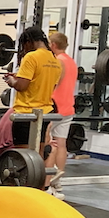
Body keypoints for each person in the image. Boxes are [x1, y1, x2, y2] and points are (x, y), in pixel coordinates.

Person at [3, 27, 62, 149]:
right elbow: (44, 82)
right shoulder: (54, 60)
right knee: (38, 151)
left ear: (29, 42)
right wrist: (20, 77)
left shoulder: (31, 57)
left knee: (23, 155)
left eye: (24, 45)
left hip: (26, 113)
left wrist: (12, 81)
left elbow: (22, 86)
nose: (24, 49)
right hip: (44, 112)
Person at [46, 32, 78, 198]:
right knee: (61, 143)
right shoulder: (71, 61)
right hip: (67, 108)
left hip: (55, 107)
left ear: (52, 45)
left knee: (49, 144)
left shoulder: (58, 61)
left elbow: (53, 83)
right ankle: (58, 181)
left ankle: (47, 182)